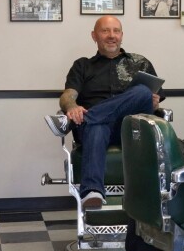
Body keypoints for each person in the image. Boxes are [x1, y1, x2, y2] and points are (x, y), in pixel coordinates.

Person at [59, 16, 160, 209]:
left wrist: (151, 102)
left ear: (122, 35)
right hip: (96, 130)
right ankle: (92, 192)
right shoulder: (82, 65)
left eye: (116, 31)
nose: (111, 35)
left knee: (142, 92)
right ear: (94, 36)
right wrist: (71, 107)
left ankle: (89, 117)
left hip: (132, 129)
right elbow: (67, 96)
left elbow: (153, 102)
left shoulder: (140, 63)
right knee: (98, 126)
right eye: (105, 31)